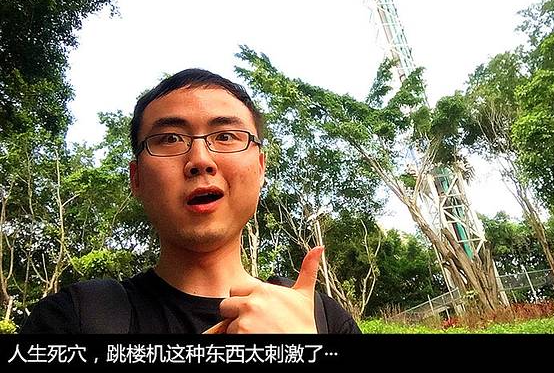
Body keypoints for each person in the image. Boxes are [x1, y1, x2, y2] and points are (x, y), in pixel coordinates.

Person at [21, 68, 361, 334]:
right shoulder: (72, 318)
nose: (200, 159)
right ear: (136, 178)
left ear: (260, 168)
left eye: (225, 136)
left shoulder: (324, 320)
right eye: (170, 138)